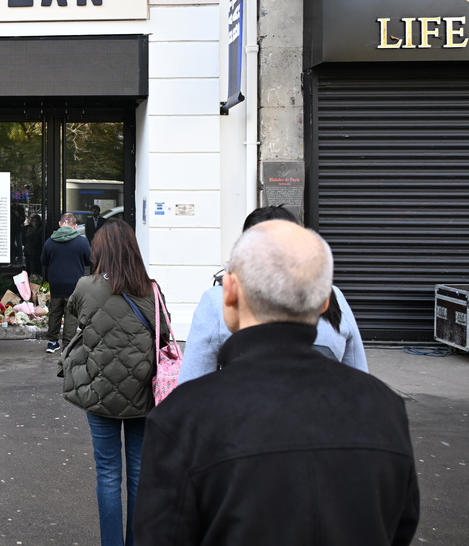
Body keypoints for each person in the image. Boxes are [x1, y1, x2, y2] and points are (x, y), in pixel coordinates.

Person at [134, 221, 419, 546]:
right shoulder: (385, 408)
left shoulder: (182, 419)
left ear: (229, 292)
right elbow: (400, 526)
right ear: (325, 302)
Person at [61, 219, 170, 546]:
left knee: (108, 474)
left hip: (99, 390)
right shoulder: (151, 288)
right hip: (143, 393)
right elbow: (164, 333)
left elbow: (71, 332)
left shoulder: (85, 287)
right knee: (138, 473)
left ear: (100, 251)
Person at [178, 205, 368, 384]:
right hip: (325, 412)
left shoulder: (216, 299)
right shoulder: (332, 293)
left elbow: (192, 382)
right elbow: (358, 374)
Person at [41, 211, 92, 353]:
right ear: (75, 226)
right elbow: (89, 261)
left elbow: (44, 261)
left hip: (56, 283)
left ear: (60, 224)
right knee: (71, 315)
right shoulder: (82, 242)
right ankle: (67, 345)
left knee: (55, 313)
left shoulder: (50, 241)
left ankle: (52, 343)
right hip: (74, 285)